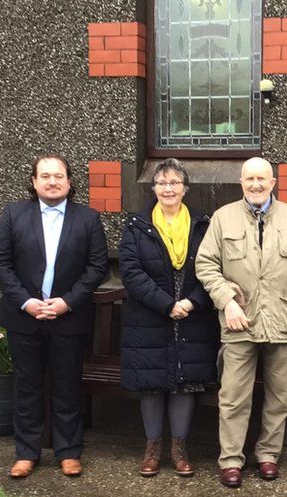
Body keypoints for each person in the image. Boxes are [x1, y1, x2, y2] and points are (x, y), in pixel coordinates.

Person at [195, 156, 287, 488]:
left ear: (272, 182)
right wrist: (226, 302)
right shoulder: (223, 218)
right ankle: (231, 460)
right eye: (249, 178)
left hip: (284, 321)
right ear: (241, 181)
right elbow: (205, 265)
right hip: (239, 323)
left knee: (279, 396)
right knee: (234, 396)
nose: (255, 184)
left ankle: (268, 455)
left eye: (262, 179)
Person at [0, 154, 109, 479]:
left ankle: (68, 451)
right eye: (45, 176)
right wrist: (26, 301)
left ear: (70, 182)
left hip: (68, 318)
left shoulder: (88, 218)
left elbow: (97, 267)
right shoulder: (14, 215)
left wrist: (67, 302)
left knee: (67, 385)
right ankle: (27, 452)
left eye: (58, 176)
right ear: (34, 181)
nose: (52, 181)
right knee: (26, 386)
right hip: (24, 317)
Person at [118, 158, 218, 477]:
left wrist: (192, 303)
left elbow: (215, 270)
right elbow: (131, 273)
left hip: (193, 318)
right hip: (149, 317)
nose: (168, 188)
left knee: (185, 384)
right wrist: (166, 304)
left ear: (185, 189)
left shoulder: (203, 226)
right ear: (154, 188)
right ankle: (152, 449)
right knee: (151, 384)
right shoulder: (136, 225)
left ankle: (179, 448)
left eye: (174, 182)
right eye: (162, 182)